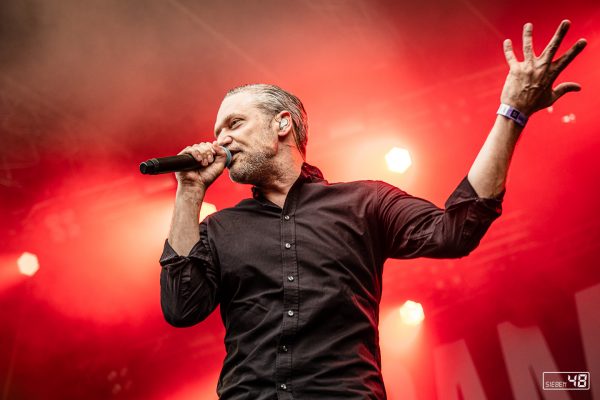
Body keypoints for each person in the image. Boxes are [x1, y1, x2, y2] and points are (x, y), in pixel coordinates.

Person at [159, 20, 586, 399]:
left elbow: (456, 231)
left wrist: (511, 112)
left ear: (282, 124)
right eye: (217, 131)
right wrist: (190, 191)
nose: (221, 141)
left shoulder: (364, 202)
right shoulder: (218, 229)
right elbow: (181, 308)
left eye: (234, 124)